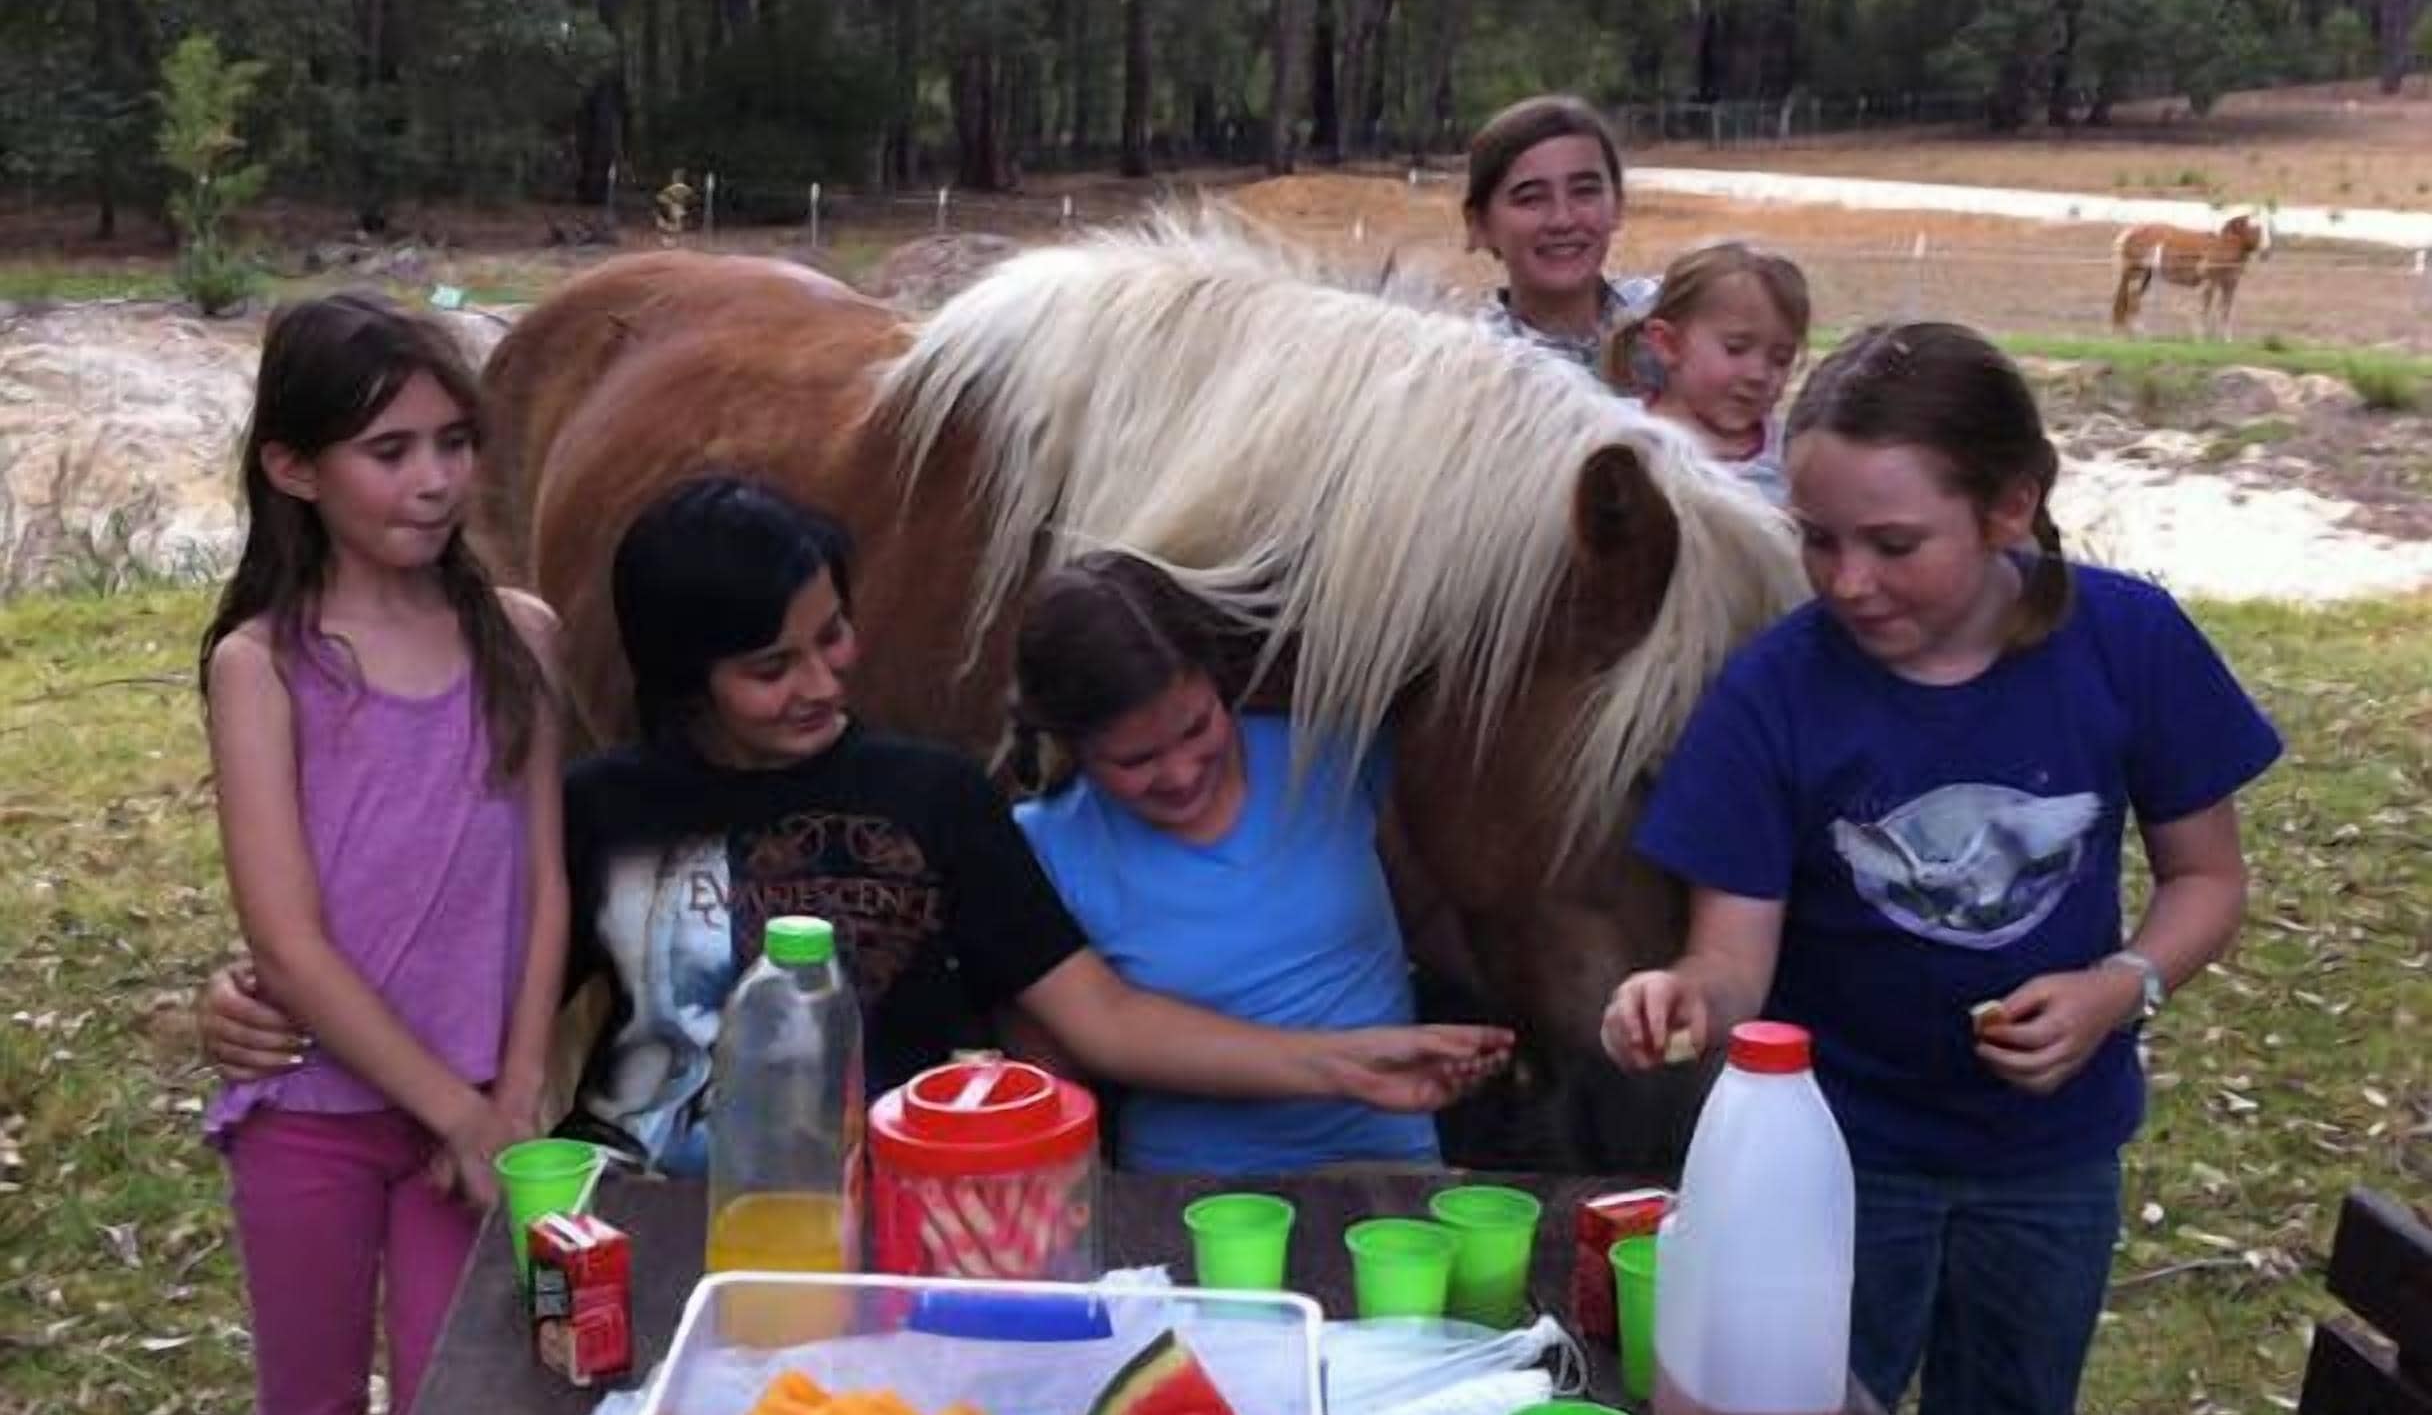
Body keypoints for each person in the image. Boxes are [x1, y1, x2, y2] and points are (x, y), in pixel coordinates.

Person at [204, 477, 1508, 1179]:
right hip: (653, 1214)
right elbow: (452, 969)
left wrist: (1344, 1065)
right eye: (771, 667)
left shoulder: (933, 798)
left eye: (833, 636)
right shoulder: (599, 813)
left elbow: (1099, 1020)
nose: (825, 681)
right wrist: (251, 1003)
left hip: (901, 1210)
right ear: (681, 680)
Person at [1599, 321, 2278, 1415]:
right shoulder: (1775, 690)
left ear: (2010, 505)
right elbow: (1730, 959)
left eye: (1891, 543)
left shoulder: (2127, 642)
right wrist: (1679, 995)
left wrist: (2116, 986)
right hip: (1832, 1171)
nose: (1846, 579)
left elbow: (2206, 880)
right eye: (1815, 538)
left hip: (2048, 1163)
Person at [199, 293, 568, 1415]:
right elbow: (288, 941)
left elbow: (545, 888)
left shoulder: (521, 638)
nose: (434, 480)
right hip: (309, 1118)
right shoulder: (262, 664)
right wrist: (458, 1108)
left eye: (454, 443)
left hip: (469, 1128)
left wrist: (509, 1102)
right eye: (391, 449)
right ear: (294, 468)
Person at [1009, 551, 1448, 1173]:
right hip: (1187, 1196)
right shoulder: (1045, 847)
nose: (1182, 774)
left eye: (1197, 729)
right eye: (1136, 761)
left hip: (1387, 1172)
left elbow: (1426, 911)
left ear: (1218, 684)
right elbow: (1051, 1085)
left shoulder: (1329, 751)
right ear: (1070, 744)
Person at [1606, 240, 1811, 505]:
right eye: (1736, 349)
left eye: (1781, 359)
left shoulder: (1793, 457)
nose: (1759, 374)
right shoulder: (1617, 435)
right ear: (1668, 344)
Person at [1465, 93, 1656, 368]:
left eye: (1584, 192)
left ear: (1618, 205)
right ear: (1479, 225)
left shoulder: (1679, 316)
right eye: (1531, 198)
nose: (1563, 219)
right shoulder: (1475, 367)